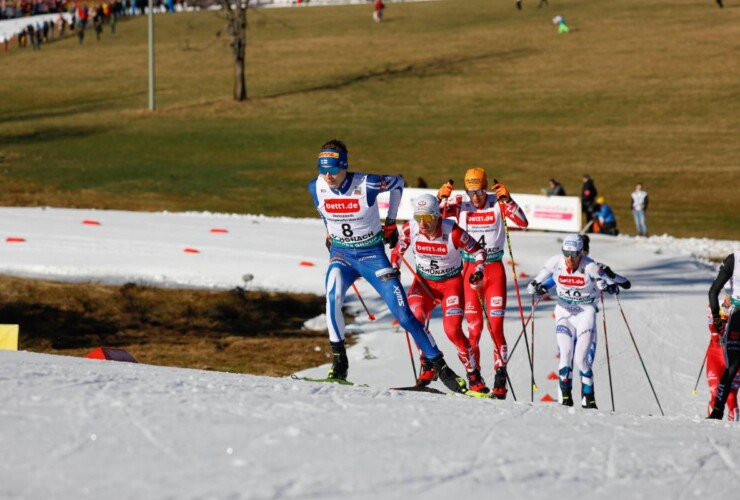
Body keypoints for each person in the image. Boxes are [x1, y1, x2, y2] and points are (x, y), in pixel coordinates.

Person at [308, 139, 474, 395]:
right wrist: (329, 233)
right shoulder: (316, 187)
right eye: (323, 170)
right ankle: (339, 363)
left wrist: (390, 222)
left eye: (332, 169)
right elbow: (324, 213)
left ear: (343, 165)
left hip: (373, 256)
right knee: (332, 295)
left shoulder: (367, 184)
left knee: (403, 313)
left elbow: (397, 182)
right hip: (342, 256)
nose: (327, 175)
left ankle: (441, 366)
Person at [437, 168, 529, 399]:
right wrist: (440, 199)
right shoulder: (460, 203)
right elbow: (434, 219)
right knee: (473, 330)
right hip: (469, 271)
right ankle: (474, 376)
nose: (475, 197)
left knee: (495, 327)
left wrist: (509, 200)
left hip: (493, 271)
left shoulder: (496, 202)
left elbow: (523, 223)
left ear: (486, 187)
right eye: (470, 192)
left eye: (479, 191)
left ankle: (500, 374)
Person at [391, 194, 488, 391]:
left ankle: (474, 375)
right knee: (414, 319)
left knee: (452, 330)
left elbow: (479, 251)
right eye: (419, 218)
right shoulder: (411, 228)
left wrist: (478, 271)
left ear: (437, 216)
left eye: (427, 218)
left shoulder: (452, 232)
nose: (423, 224)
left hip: (450, 284)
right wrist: (395, 269)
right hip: (423, 283)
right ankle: (428, 362)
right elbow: (397, 252)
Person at [526, 234, 630, 408]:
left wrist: (611, 281)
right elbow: (546, 279)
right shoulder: (557, 262)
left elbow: (623, 284)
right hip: (564, 313)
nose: (570, 259)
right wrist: (537, 286)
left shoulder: (592, 266)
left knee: (582, 359)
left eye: (574, 254)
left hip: (585, 314)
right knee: (565, 355)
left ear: (582, 252)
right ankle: (564, 399)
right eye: (566, 253)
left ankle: (588, 398)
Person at [707, 251, 740, 419]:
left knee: (733, 366)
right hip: (737, 316)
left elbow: (712, 292)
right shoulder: (733, 259)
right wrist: (718, 320)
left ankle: (718, 411)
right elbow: (713, 292)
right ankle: (718, 411)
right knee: (732, 366)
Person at [705, 295, 739, 421]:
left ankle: (733, 437)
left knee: (731, 399)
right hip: (715, 355)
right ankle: (710, 431)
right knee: (714, 396)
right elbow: (714, 329)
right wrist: (724, 307)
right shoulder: (716, 303)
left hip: (732, 356)